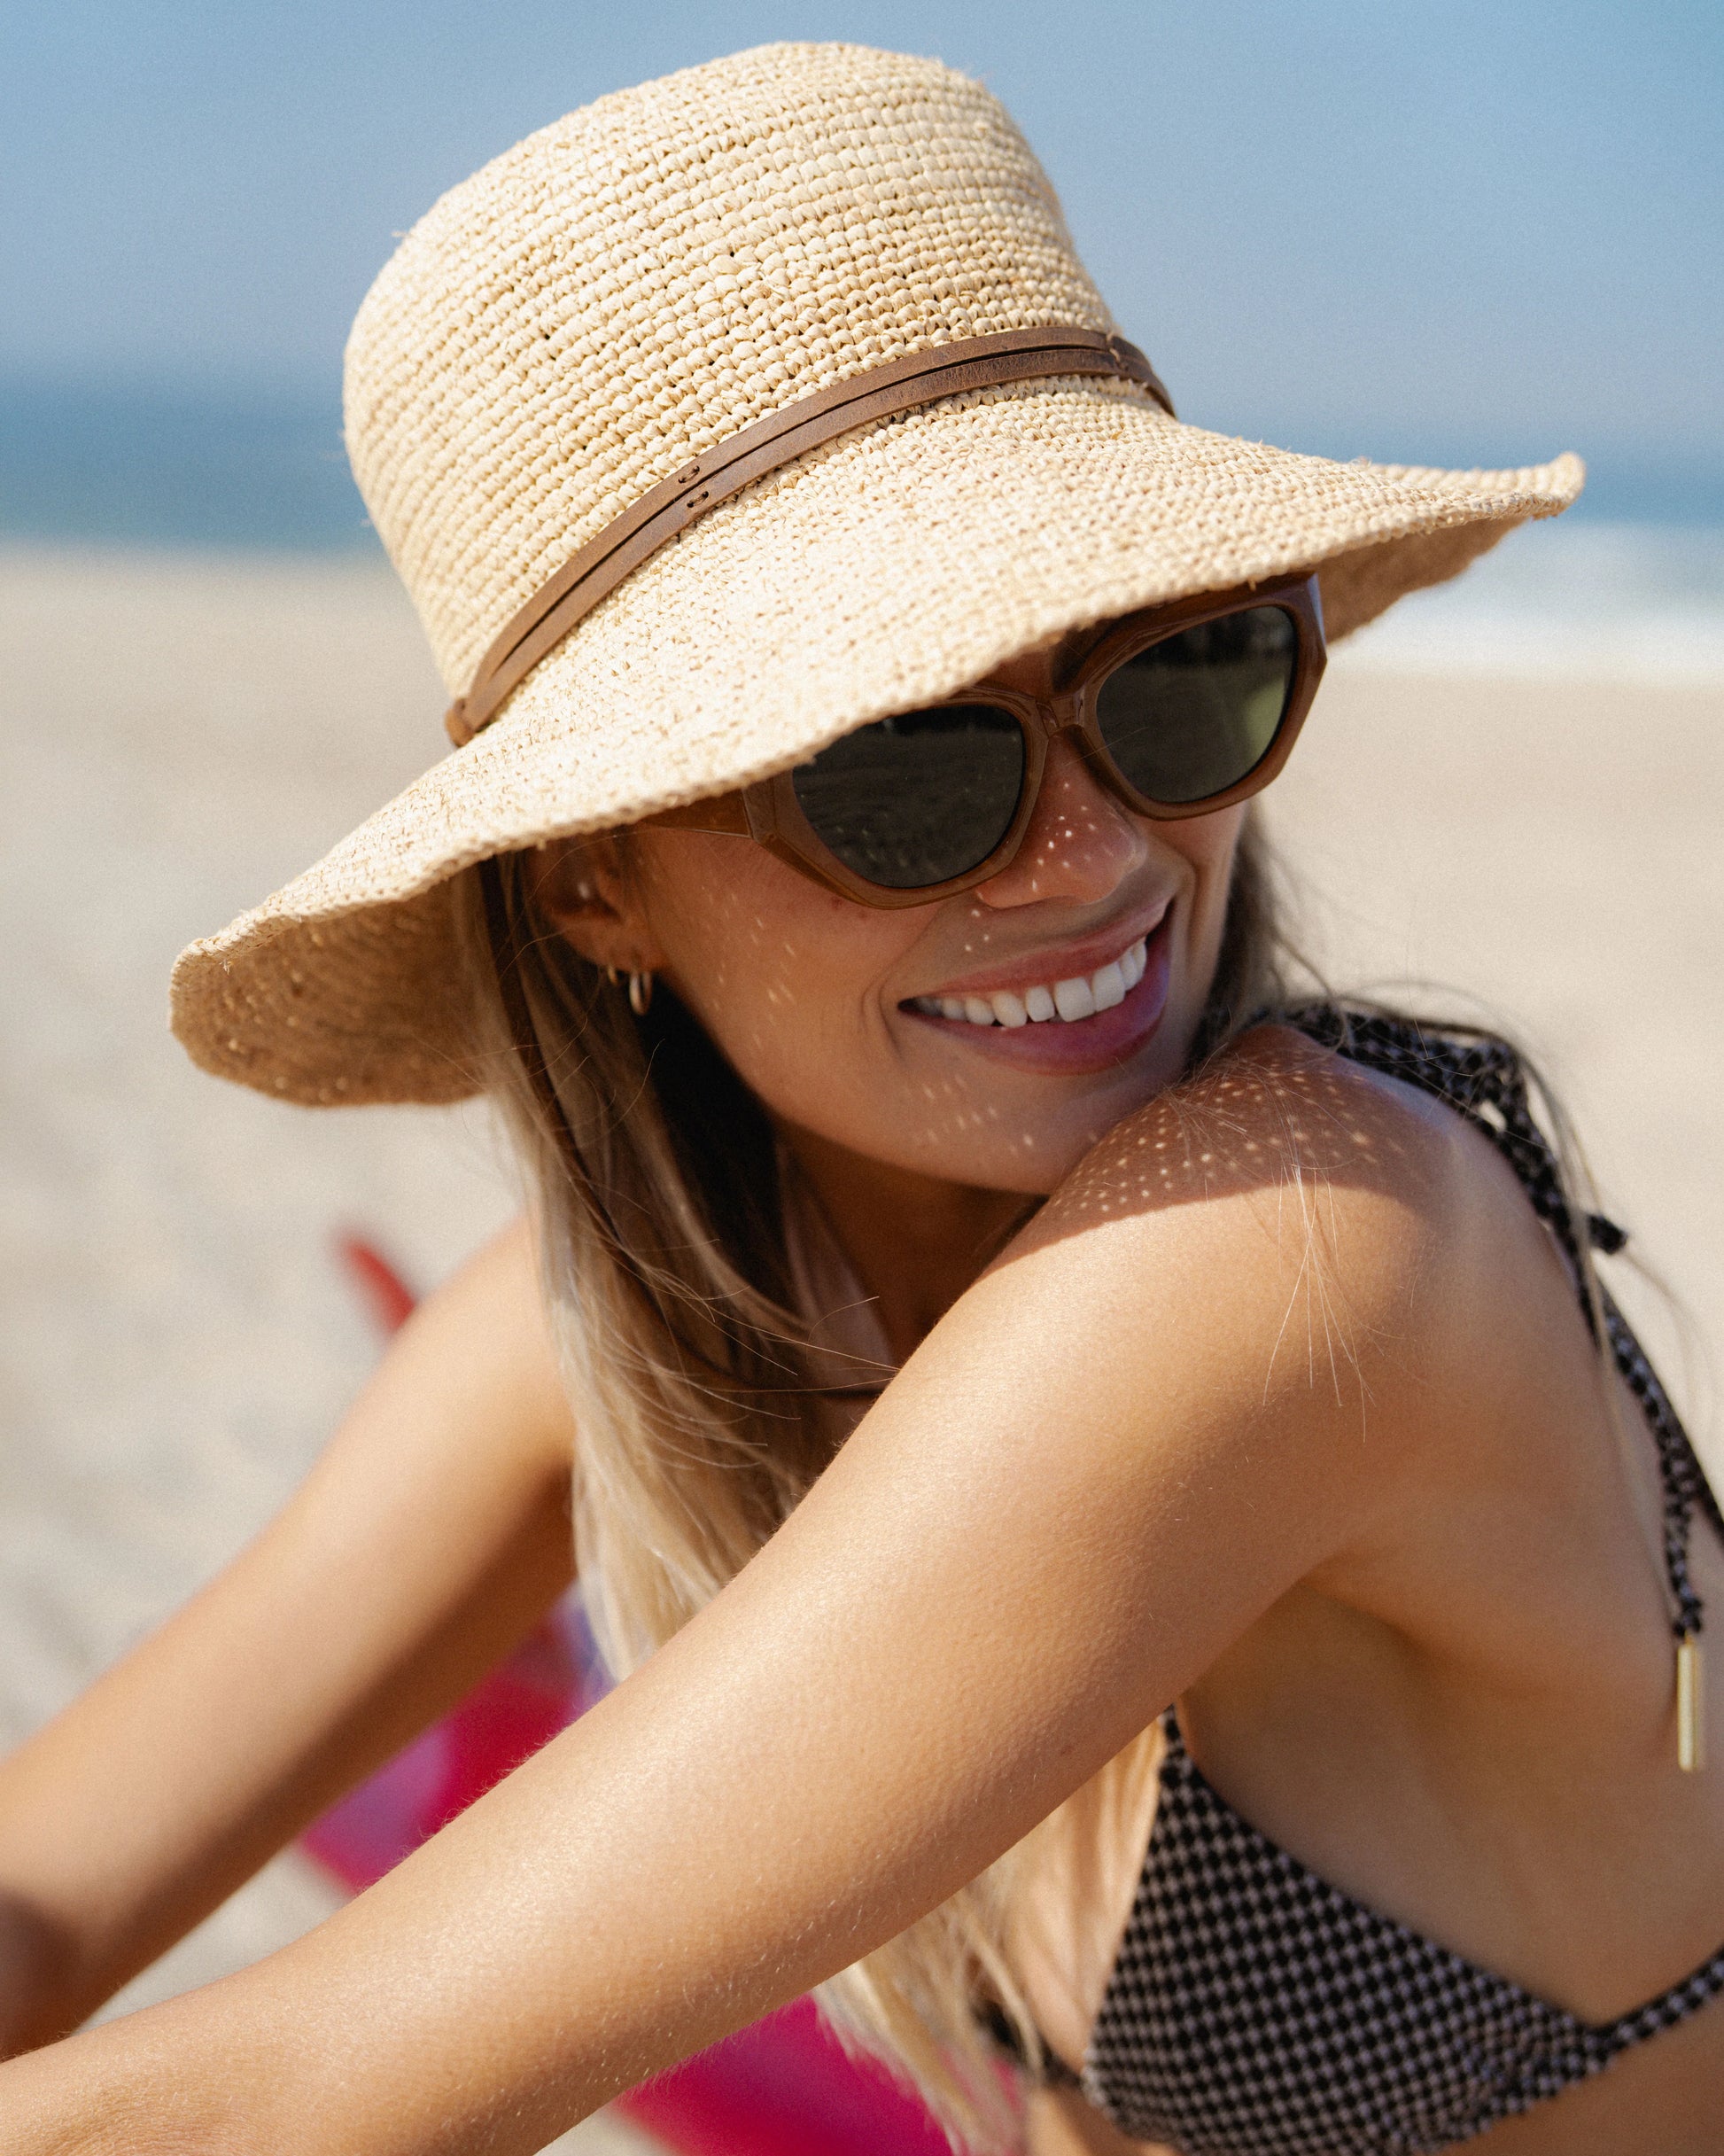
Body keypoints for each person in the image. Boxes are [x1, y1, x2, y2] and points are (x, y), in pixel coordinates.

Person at [2, 41, 1719, 2156]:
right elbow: (45, 1895)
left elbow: (298, 2100)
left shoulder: (1300, 1244)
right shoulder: (646, 1309)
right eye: (903, 766)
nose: (1090, 852)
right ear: (597, 880)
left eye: (1173, 677)